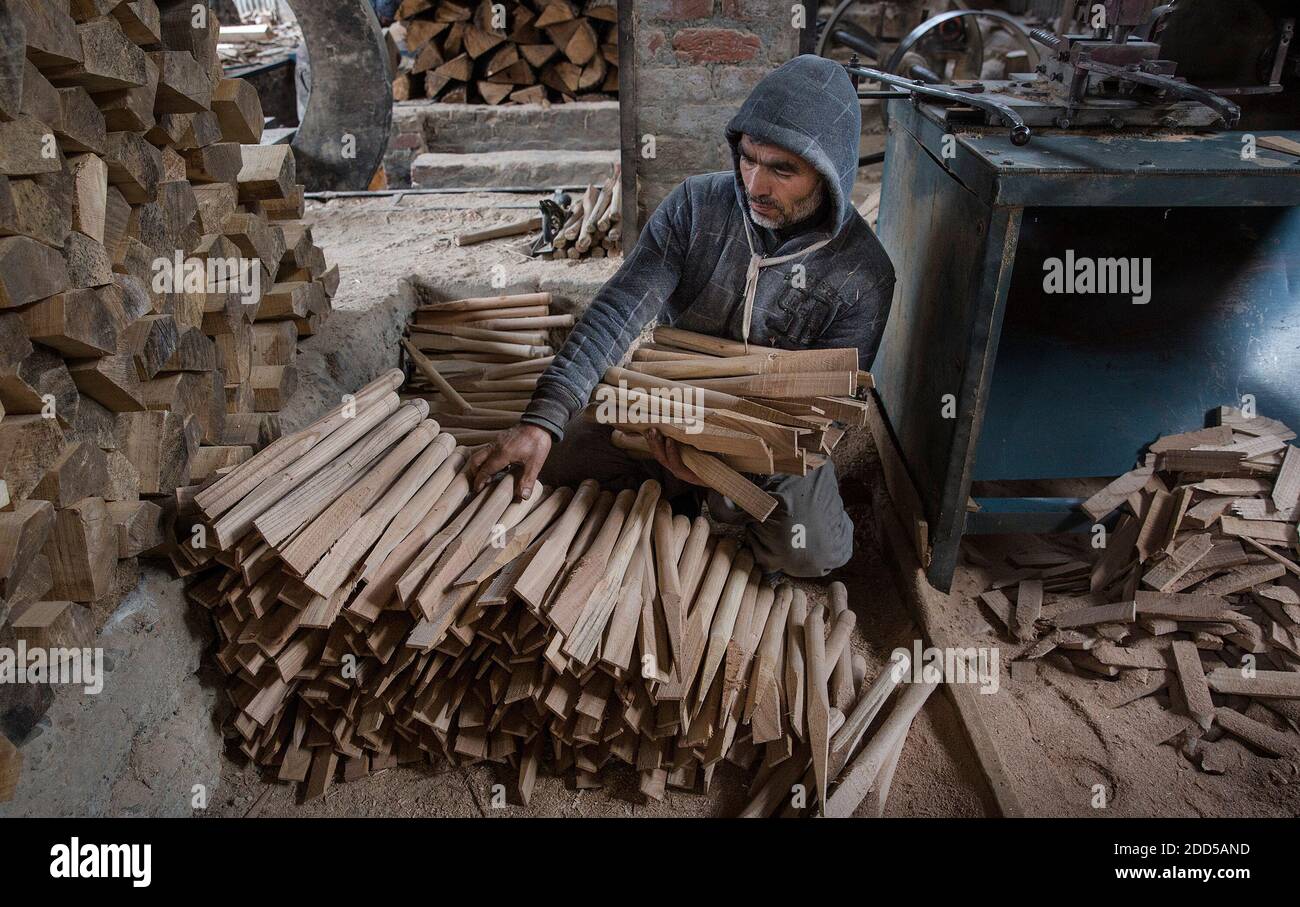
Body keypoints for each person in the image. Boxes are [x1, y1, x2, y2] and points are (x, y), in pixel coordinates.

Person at [468, 54, 896, 577]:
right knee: (554, 459)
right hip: (661, 408)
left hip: (769, 447)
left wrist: (714, 469)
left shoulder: (864, 274)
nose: (756, 185)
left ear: (830, 174)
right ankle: (679, 495)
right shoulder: (695, 208)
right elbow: (617, 313)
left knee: (810, 551)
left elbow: (824, 415)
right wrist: (543, 419)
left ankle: (709, 504)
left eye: (783, 169)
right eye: (748, 158)